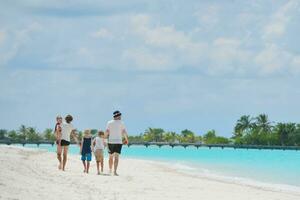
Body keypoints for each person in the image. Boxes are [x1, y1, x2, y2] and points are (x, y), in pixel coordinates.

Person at [105, 110, 129, 176]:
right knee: (116, 157)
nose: (121, 117)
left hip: (111, 142)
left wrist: (104, 139)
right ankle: (115, 171)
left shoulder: (109, 122)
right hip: (118, 142)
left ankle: (110, 170)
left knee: (110, 157)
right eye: (120, 116)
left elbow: (107, 132)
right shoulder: (122, 123)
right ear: (118, 116)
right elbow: (124, 132)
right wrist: (127, 139)